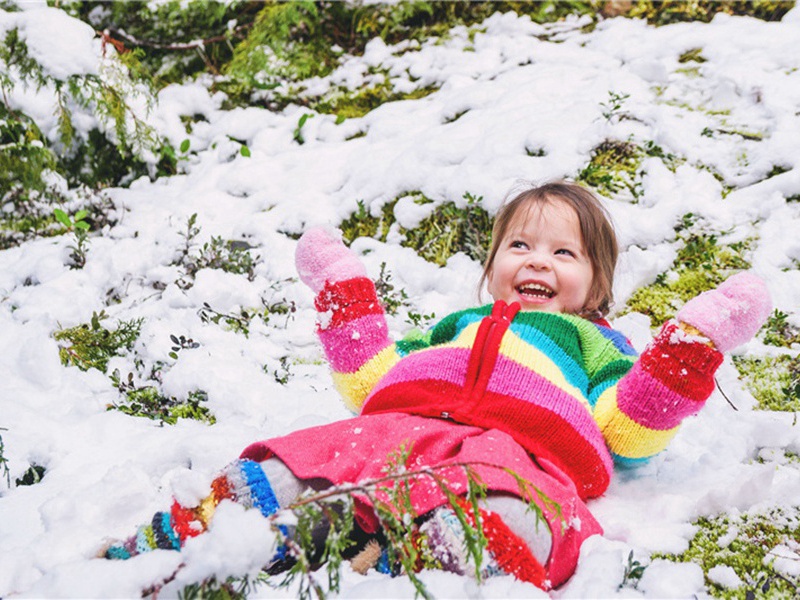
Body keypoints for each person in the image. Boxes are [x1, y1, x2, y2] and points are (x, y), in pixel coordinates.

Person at [103, 181, 771, 591]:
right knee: (291, 462)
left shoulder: (594, 343)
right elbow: (374, 383)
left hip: (514, 452)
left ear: (595, 286)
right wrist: (349, 300)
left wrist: (688, 350)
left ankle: (407, 547)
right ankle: (200, 533)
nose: (537, 259)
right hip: (398, 428)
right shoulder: (454, 325)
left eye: (563, 253)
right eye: (520, 247)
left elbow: (626, 430)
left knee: (509, 511)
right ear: (492, 268)